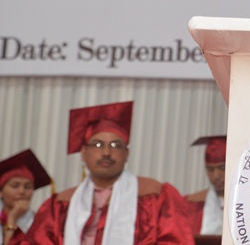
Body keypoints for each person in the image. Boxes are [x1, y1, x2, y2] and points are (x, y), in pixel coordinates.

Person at [23, 101, 194, 245]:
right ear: (84, 153)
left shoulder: (157, 195)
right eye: (97, 145)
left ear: (126, 154)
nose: (106, 152)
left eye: (115, 145)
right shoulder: (60, 204)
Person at [0, 149, 52, 245]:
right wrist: (12, 220)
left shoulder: (42, 223)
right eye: (14, 186)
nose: (22, 191)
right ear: (1, 192)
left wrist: (12, 221)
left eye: (28, 187)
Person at [184, 136, 226, 236]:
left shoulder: (247, 203)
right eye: (210, 169)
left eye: (222, 168)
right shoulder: (191, 205)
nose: (216, 176)